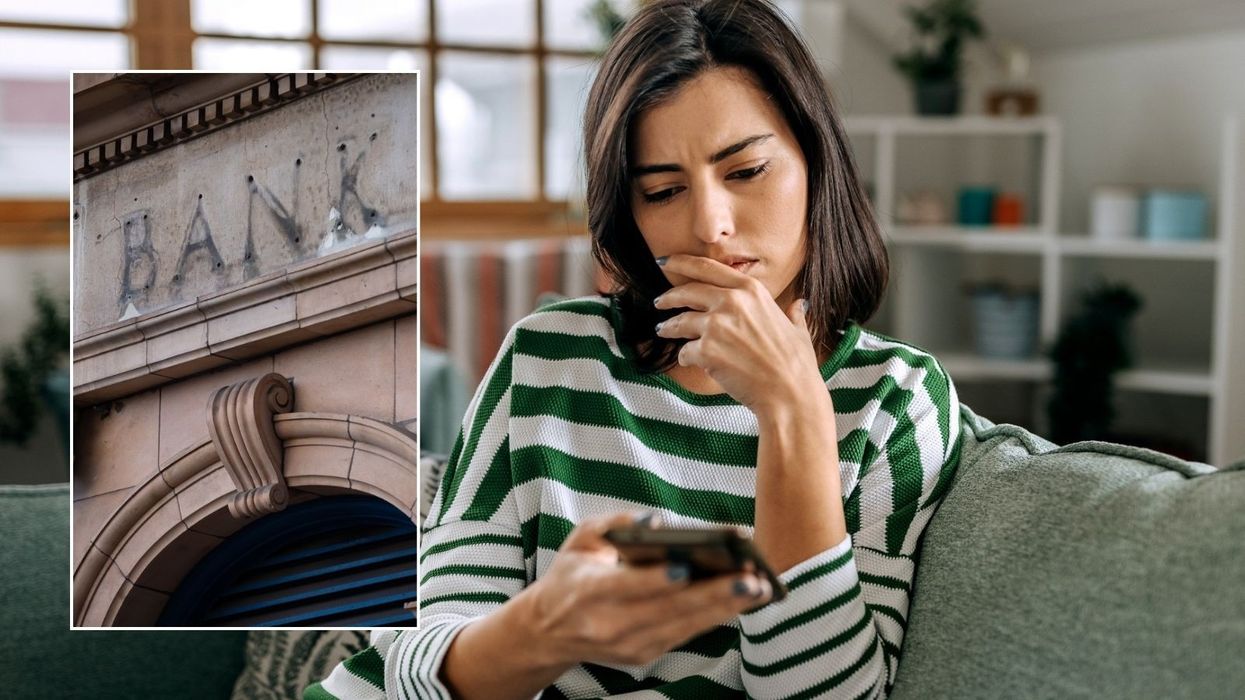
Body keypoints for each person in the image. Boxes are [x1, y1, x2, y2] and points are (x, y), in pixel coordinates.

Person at [307, 0, 960, 698]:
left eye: (744, 173)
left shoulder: (895, 402)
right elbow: (424, 662)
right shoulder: (547, 357)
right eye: (663, 190)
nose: (709, 226)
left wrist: (793, 409)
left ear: (816, 164)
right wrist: (548, 630)